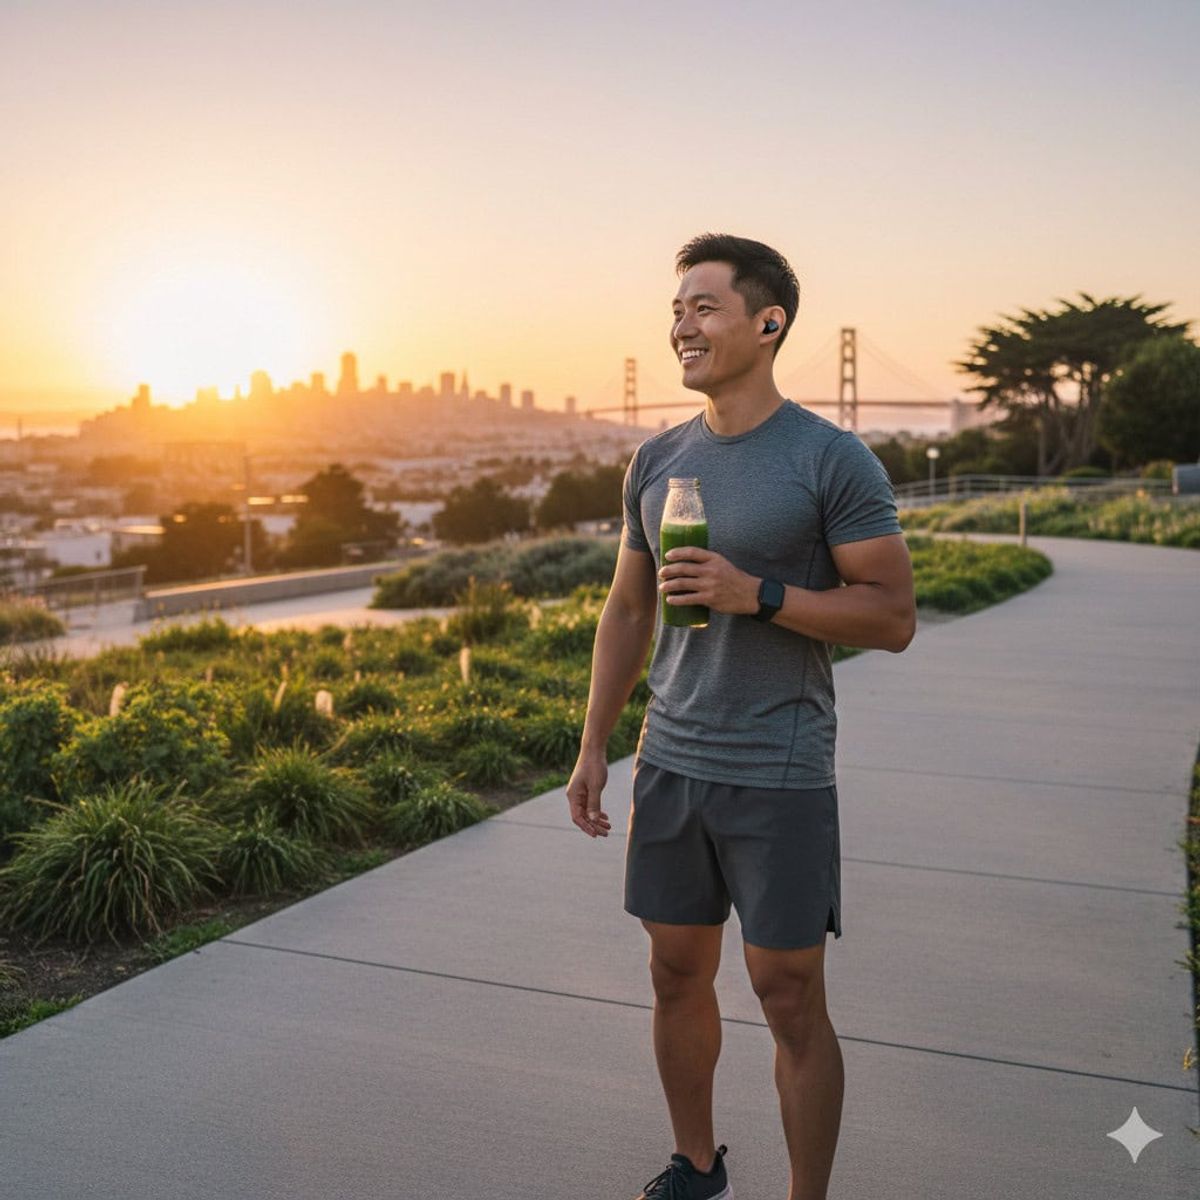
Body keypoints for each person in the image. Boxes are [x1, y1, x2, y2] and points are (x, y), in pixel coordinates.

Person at [566, 233, 916, 1200]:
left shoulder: (829, 458)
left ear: (768, 324)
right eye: (675, 309)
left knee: (788, 994)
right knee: (675, 974)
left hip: (780, 764)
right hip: (670, 757)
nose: (682, 324)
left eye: (703, 307)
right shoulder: (656, 458)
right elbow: (629, 607)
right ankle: (697, 1164)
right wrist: (596, 744)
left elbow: (891, 616)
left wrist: (754, 593)